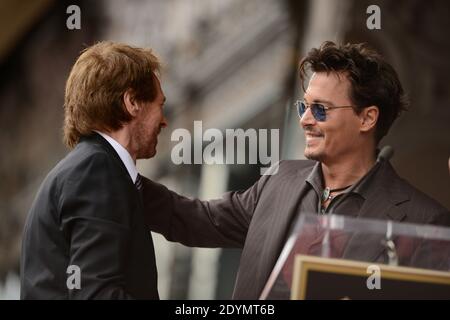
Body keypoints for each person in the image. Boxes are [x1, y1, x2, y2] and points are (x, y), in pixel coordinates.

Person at [141, 41, 450, 299]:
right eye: (304, 107)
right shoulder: (279, 180)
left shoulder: (425, 222)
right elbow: (193, 218)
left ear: (367, 118)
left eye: (320, 109)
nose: (305, 120)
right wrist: (110, 169)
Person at [21, 41, 168, 299]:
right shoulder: (97, 170)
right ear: (132, 101)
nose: (164, 121)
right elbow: (96, 294)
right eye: (160, 105)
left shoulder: (91, 168)